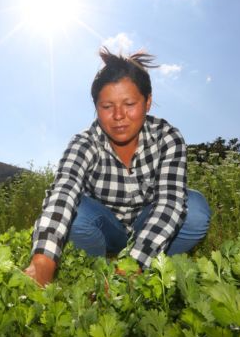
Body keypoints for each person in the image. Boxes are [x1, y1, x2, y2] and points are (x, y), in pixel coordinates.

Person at [24, 47, 211, 287]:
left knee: (194, 210)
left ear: (148, 102)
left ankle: (148, 265)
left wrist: (131, 268)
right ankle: (97, 265)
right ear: (96, 108)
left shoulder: (167, 138)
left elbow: (170, 201)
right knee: (76, 212)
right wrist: (42, 263)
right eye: (107, 106)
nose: (119, 115)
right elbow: (63, 192)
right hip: (105, 230)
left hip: (150, 223)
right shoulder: (84, 142)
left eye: (129, 103)